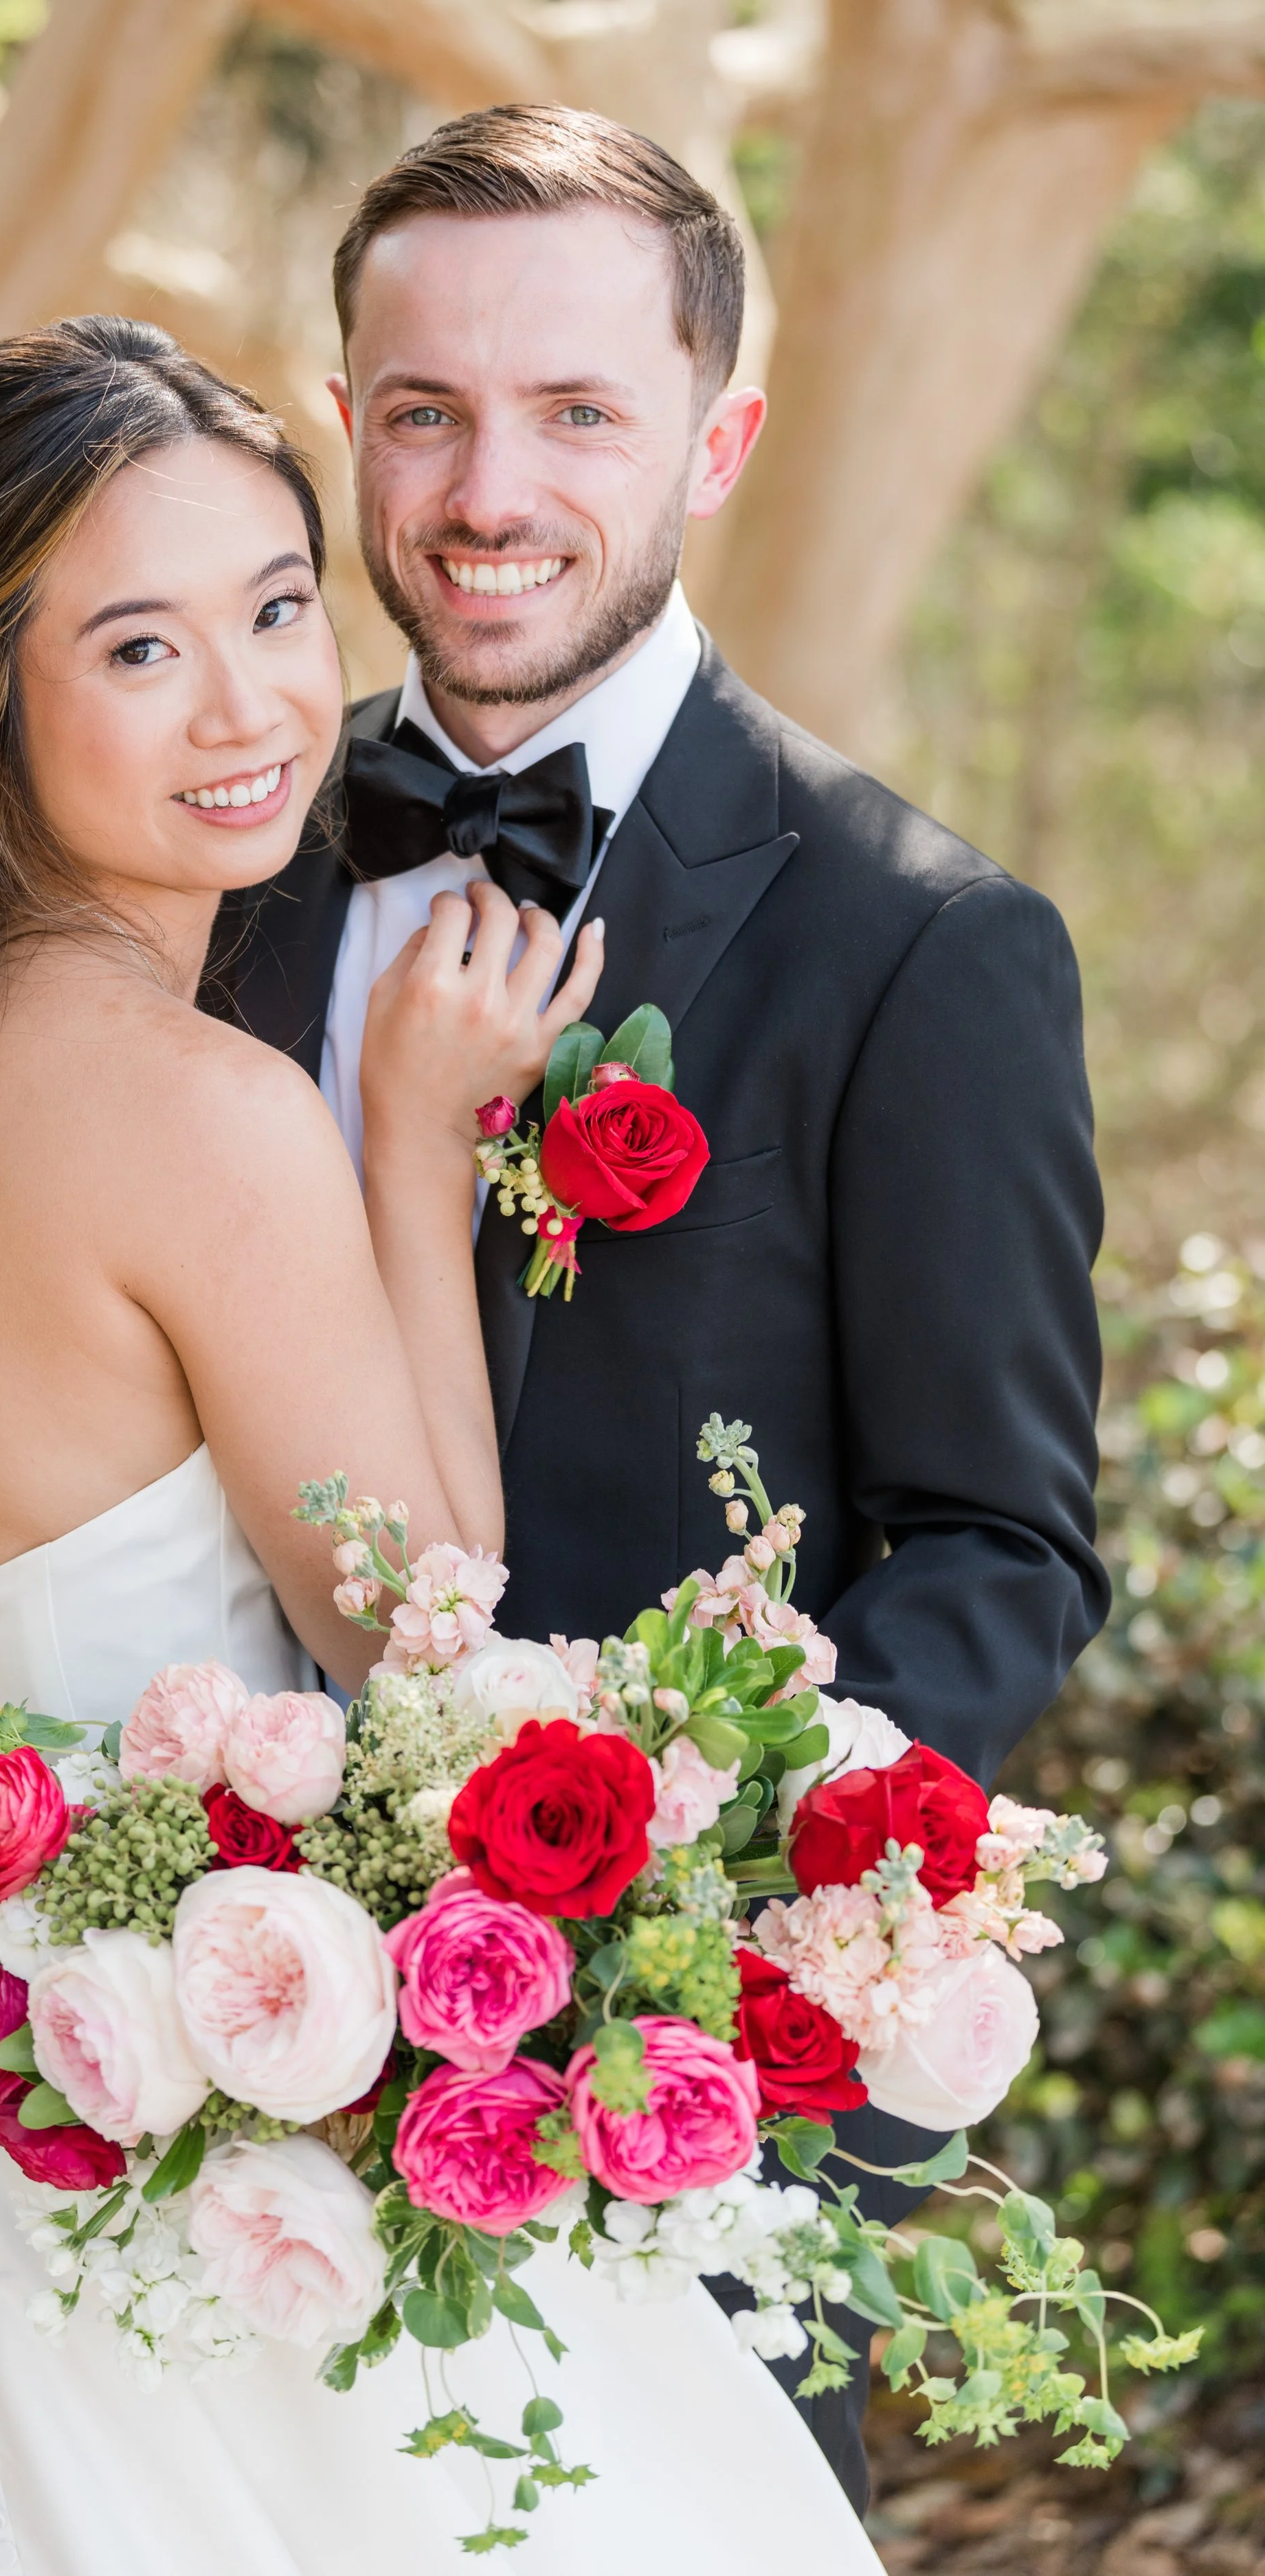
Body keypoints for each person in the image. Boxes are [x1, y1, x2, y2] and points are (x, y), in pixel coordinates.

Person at [0, 315, 887, 2573]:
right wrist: (411, 1149)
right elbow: (417, 1619)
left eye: (272, 607)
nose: (248, 706)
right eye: (140, 646)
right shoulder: (194, 1107)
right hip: (194, 2129)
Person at [193, 102, 1110, 2510]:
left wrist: (675, 1926)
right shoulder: (202, 861)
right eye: (424, 412)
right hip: (188, 2049)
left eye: (577, 412)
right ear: (345, 424)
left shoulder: (918, 943)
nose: (487, 490)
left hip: (646, 2115)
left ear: (719, 436)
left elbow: (997, 1546)